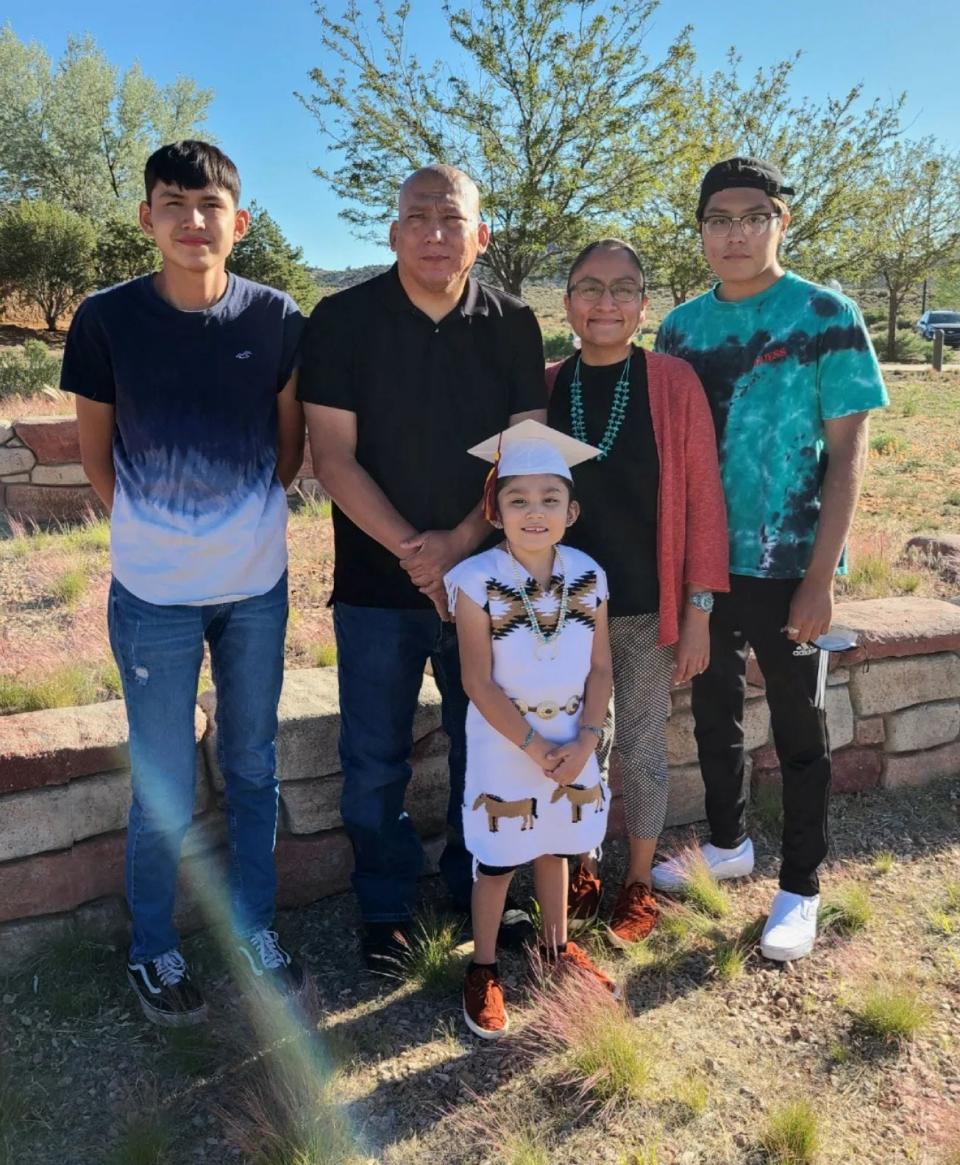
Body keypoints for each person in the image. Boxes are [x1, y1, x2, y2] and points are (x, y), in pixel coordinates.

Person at [61, 140, 307, 1025]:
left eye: (210, 205)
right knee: (162, 778)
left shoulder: (278, 318)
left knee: (252, 764)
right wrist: (165, 533)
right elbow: (98, 458)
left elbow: (287, 449)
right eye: (173, 203)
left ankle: (256, 930)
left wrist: (233, 528)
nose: (192, 220)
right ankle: (153, 949)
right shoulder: (105, 319)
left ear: (239, 222)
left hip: (256, 588)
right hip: (152, 598)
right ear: (147, 218)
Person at [298, 165, 546, 968]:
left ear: (482, 233)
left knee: (489, 745)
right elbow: (331, 458)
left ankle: (482, 885)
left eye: (452, 218)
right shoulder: (341, 319)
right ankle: (385, 903)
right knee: (373, 760)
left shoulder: (512, 323)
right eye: (418, 217)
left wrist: (457, 546)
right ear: (393, 232)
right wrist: (419, 552)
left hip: (486, 580)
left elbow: (525, 461)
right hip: (375, 591)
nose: (435, 233)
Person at [654, 156, 888, 961]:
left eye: (752, 216)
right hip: (706, 567)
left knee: (800, 727)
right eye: (717, 218)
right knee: (714, 712)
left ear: (781, 221)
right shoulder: (681, 328)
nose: (735, 233)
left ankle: (801, 885)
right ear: (702, 230)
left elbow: (850, 455)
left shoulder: (828, 313)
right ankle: (726, 843)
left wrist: (821, 580)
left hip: (792, 564)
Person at [546, 239, 728, 945]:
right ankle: (583, 862)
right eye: (589, 287)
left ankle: (640, 879)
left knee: (644, 747)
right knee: (579, 744)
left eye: (623, 289)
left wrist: (701, 609)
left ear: (643, 304)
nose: (606, 302)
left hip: (650, 608)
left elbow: (705, 500)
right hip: (566, 612)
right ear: (566, 302)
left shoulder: (672, 382)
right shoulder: (546, 385)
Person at [445, 420, 618, 1038]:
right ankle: (484, 966)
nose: (534, 512)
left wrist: (587, 740)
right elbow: (478, 681)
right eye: (518, 500)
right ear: (495, 511)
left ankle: (555, 946)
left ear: (571, 511)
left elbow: (600, 666)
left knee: (554, 844)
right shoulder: (473, 582)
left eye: (550, 499)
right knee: (497, 860)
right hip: (506, 741)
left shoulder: (590, 576)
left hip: (575, 739)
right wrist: (535, 745)